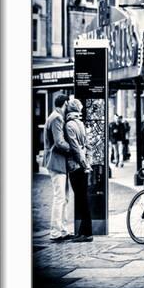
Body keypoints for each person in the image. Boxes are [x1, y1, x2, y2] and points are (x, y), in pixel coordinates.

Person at [43, 93, 73, 241]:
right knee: (60, 197)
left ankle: (62, 230)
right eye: (67, 104)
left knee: (64, 198)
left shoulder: (54, 116)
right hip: (56, 162)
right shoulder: (56, 118)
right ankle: (56, 232)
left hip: (58, 162)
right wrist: (73, 148)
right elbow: (59, 142)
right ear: (65, 104)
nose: (68, 107)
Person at [65, 98, 94, 242]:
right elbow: (88, 145)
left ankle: (87, 233)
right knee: (83, 199)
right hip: (83, 166)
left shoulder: (69, 124)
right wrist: (88, 162)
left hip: (76, 167)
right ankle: (83, 231)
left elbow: (75, 148)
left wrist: (83, 164)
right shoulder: (80, 124)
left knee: (82, 200)